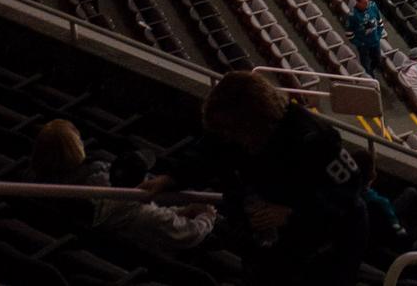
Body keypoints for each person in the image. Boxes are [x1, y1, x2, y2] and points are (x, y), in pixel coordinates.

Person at [142, 71, 369, 286]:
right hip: (269, 246)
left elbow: (348, 193)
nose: (230, 138)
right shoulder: (233, 130)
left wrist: (291, 214)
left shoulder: (314, 138)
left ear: (256, 119)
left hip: (324, 246)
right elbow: (207, 153)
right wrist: (171, 179)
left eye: (233, 131)